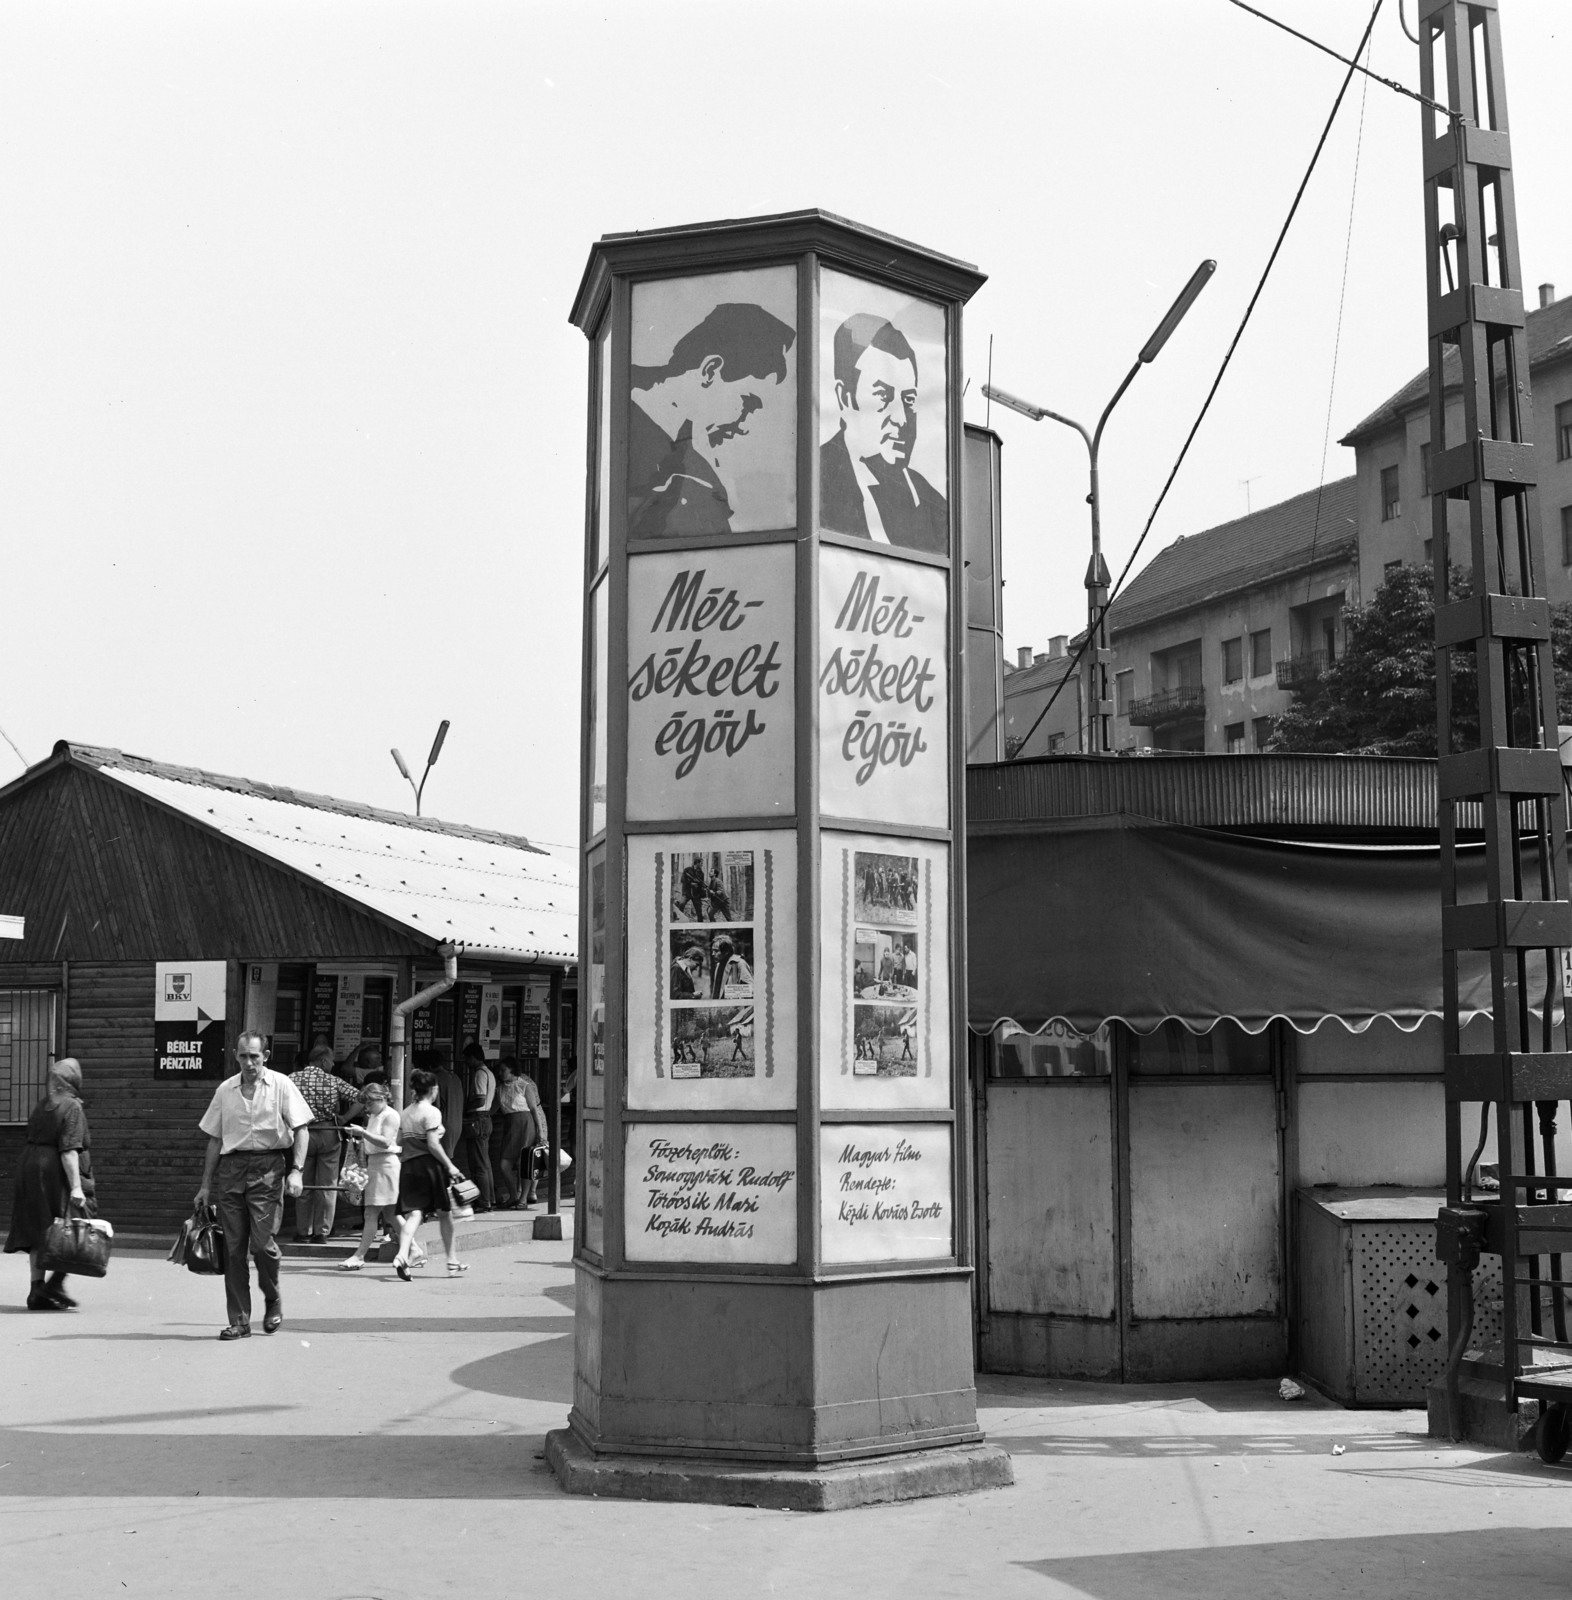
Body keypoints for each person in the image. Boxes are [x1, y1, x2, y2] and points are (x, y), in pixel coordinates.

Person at [628, 303, 796, 537]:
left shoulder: (691, 458)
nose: (744, 425)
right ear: (710, 371)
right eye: (747, 403)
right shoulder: (616, 405)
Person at [193, 1032, 313, 1340]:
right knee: (233, 1249)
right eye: (244, 1056)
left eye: (255, 1057)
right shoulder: (226, 1090)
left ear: (267, 1055)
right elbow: (215, 1138)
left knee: (262, 1246)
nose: (249, 1063)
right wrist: (205, 1185)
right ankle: (240, 1320)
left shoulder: (282, 1085)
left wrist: (296, 1171)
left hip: (268, 1169)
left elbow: (301, 1130)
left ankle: (272, 1298)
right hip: (232, 1170)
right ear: (236, 1055)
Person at [821, 314, 947, 553]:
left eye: (908, 400)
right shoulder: (814, 483)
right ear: (845, 399)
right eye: (883, 396)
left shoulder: (934, 505)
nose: (901, 419)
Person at [5, 1058, 95, 1311]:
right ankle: (55, 1283)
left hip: (30, 1168)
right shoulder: (72, 1107)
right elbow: (69, 1151)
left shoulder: (43, 1105)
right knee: (75, 1223)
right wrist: (77, 1187)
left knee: (40, 1228)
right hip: (54, 1174)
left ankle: (37, 1291)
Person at [392, 1067, 465, 1279]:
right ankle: (452, 1260)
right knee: (444, 1213)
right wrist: (450, 1166)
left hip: (409, 1167)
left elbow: (398, 1141)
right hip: (430, 1167)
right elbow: (433, 1145)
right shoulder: (432, 1112)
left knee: (413, 1214)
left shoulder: (405, 1113)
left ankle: (402, 1254)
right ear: (433, 1089)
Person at [288, 1043, 359, 1243]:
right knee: (327, 1185)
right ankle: (322, 1232)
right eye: (331, 1061)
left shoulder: (291, 1079)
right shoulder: (333, 1081)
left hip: (302, 1133)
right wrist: (345, 1118)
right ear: (323, 1060)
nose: (332, 1065)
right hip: (329, 1132)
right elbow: (361, 1097)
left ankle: (303, 1231)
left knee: (303, 1180)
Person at [339, 1079, 401, 1270]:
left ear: (381, 1098)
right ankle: (413, 1248)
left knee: (371, 1212)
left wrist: (363, 1133)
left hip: (385, 1164)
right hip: (377, 1164)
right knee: (390, 1213)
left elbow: (385, 1141)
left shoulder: (390, 1115)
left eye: (370, 1103)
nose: (367, 1108)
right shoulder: (377, 1115)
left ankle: (359, 1255)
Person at [495, 1058, 547, 1209]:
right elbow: (493, 1108)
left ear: (512, 1070)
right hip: (510, 1125)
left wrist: (540, 1131)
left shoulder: (524, 1086)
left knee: (526, 1163)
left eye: (503, 1070)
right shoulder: (499, 1088)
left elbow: (533, 1110)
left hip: (525, 1124)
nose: (500, 1073)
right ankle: (513, 1196)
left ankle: (523, 1199)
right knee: (504, 1164)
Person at [459, 1042, 496, 1213]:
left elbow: (480, 1098)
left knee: (478, 1164)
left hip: (478, 1119)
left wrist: (466, 1107)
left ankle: (483, 1201)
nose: (466, 1062)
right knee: (485, 1162)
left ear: (473, 1058)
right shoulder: (489, 1073)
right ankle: (490, 1198)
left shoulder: (479, 1074)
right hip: (486, 1118)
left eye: (467, 1058)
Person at [431, 1050, 465, 1163]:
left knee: (443, 1160)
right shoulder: (456, 1077)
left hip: (444, 1123)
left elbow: (437, 1105)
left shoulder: (436, 1079)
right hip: (457, 1123)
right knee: (448, 1157)